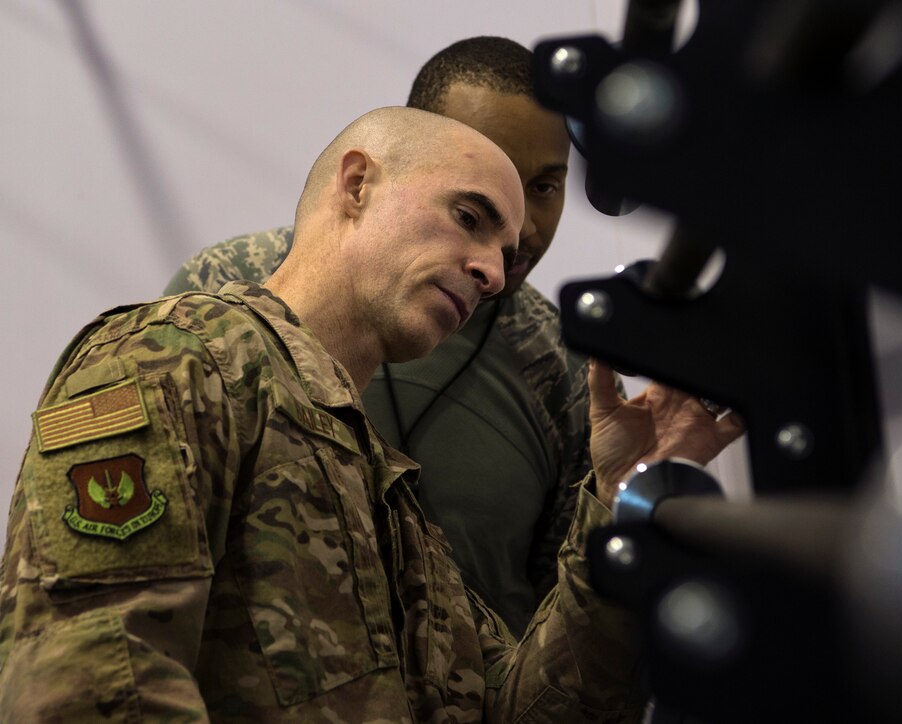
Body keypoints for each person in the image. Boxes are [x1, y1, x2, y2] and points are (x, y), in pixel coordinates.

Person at [0, 106, 744, 721]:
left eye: (504, 249)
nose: (493, 271)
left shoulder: (390, 502)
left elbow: (518, 709)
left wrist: (621, 502)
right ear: (357, 184)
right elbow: (90, 686)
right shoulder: (178, 360)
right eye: (469, 216)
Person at [164, 37, 602, 636]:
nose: (518, 228)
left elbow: (561, 628)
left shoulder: (563, 369)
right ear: (365, 179)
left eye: (545, 188)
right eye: (473, 206)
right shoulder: (223, 293)